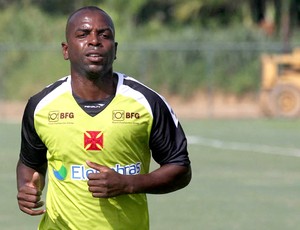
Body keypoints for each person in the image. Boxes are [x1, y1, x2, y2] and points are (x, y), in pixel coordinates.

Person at [16, 6, 191, 230]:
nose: (94, 41)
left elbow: (180, 169)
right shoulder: (40, 105)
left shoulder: (147, 102)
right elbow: (30, 163)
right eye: (83, 34)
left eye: (104, 35)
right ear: (66, 49)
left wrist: (128, 184)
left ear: (115, 49)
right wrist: (27, 188)